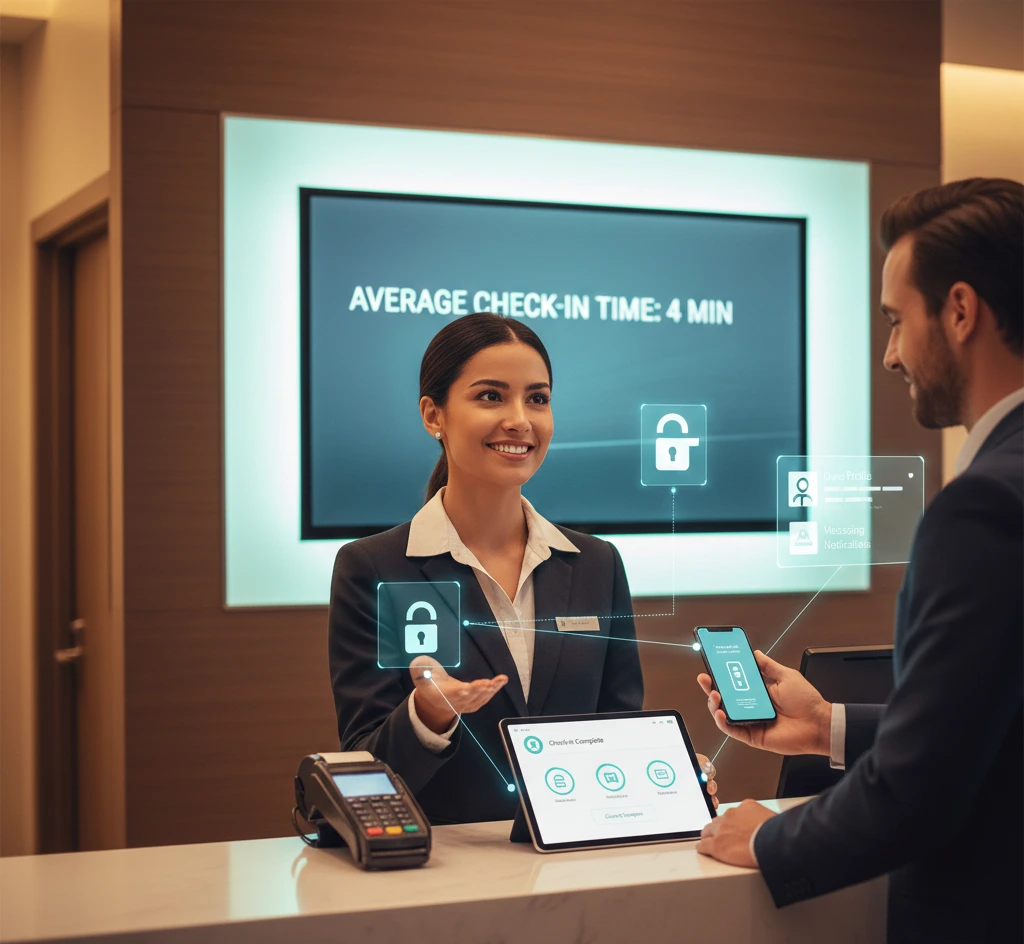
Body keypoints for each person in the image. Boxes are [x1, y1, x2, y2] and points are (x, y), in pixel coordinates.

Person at [695, 178, 1023, 943]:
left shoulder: (985, 507)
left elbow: (921, 794)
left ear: (961, 312)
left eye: (895, 321)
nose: (889, 354)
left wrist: (770, 839)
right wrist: (827, 727)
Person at [329, 312, 718, 825]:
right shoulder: (379, 569)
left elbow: (616, 731)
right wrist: (428, 715)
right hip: (442, 876)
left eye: (537, 398)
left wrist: (664, 772)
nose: (520, 420)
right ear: (433, 415)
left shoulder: (597, 564)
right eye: (491, 396)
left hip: (578, 868)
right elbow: (367, 770)